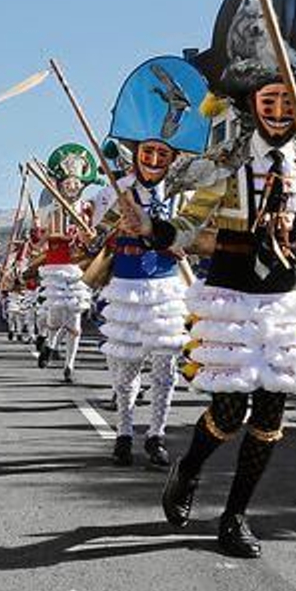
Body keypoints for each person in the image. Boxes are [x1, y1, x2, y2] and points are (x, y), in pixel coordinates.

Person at [147, 0, 296, 559]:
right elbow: (187, 221)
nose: (280, 112)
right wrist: (162, 230)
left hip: (286, 300)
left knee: (271, 413)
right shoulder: (226, 160)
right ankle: (188, 467)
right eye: (269, 99)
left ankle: (235, 517)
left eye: (290, 101)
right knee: (229, 411)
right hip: (232, 295)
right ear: (252, 101)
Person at [91, 55, 212, 468]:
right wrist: (118, 230)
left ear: (172, 158)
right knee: (124, 368)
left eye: (163, 155)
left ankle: (156, 435)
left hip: (165, 287)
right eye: (149, 153)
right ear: (136, 152)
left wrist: (180, 243)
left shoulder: (182, 196)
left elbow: (194, 233)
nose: (155, 161)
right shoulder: (115, 191)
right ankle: (124, 431)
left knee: (165, 366)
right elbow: (96, 240)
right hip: (124, 285)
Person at [32, 144, 99, 383]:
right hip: (56, 266)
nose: (72, 186)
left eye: (76, 182)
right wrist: (40, 234)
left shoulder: (88, 209)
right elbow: (39, 242)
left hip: (79, 268)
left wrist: (90, 237)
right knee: (56, 313)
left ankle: (69, 365)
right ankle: (50, 343)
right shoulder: (51, 209)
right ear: (60, 184)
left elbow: (94, 241)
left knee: (75, 320)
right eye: (67, 182)